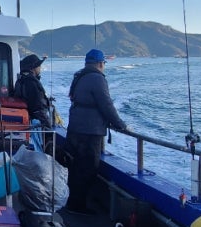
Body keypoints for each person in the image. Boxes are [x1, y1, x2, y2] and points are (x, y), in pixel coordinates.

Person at [64, 48, 129, 214]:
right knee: (87, 168)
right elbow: (106, 105)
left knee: (76, 166)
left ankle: (71, 202)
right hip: (89, 131)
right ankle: (77, 206)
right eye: (103, 64)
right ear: (100, 64)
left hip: (75, 128)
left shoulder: (79, 76)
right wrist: (121, 125)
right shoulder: (98, 79)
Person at [13, 53, 52, 130]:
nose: (40, 68)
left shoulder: (22, 80)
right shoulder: (31, 82)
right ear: (33, 68)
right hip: (36, 116)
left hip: (29, 115)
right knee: (48, 132)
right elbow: (36, 104)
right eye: (39, 66)